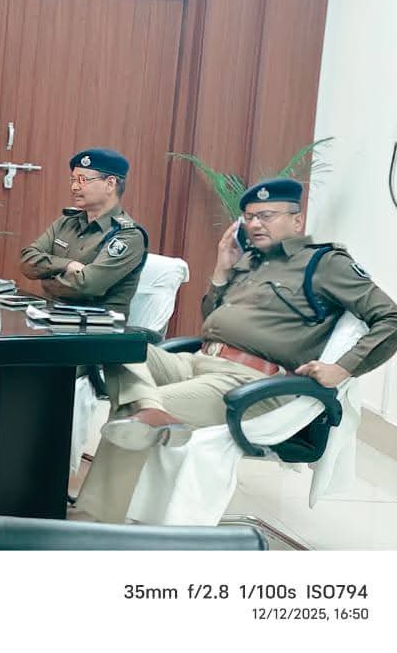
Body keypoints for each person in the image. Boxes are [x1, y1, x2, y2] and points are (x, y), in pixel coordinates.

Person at [75, 177, 397, 523]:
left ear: (297, 220)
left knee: (132, 408)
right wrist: (221, 271)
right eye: (250, 217)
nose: (255, 224)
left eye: (267, 216)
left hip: (247, 381)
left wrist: (342, 369)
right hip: (198, 361)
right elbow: (212, 323)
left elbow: (390, 318)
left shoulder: (325, 263)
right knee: (115, 344)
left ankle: (91, 523)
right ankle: (147, 414)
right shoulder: (251, 261)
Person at [19, 148, 147, 316]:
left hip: (95, 326)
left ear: (110, 184)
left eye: (82, 180)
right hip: (51, 317)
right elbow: (27, 260)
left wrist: (45, 278)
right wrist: (67, 265)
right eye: (73, 180)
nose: (74, 187)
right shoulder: (67, 222)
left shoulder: (128, 235)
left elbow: (86, 286)